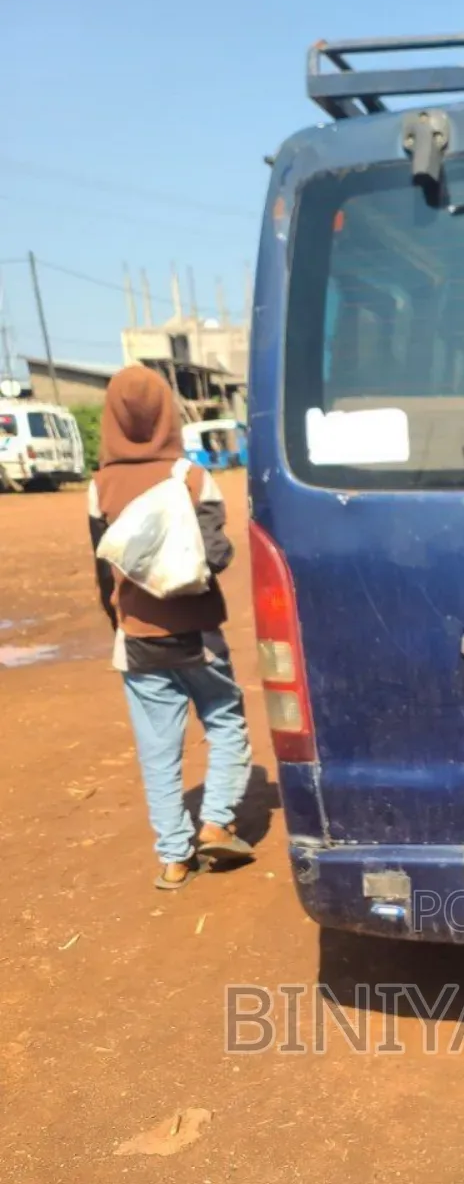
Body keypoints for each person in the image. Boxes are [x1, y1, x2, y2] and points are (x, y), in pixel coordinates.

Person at [88, 366, 253, 891]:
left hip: (137, 640)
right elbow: (219, 553)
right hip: (198, 633)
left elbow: (101, 571)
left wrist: (123, 619)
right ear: (167, 413)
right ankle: (217, 821)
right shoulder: (192, 477)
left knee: (158, 752)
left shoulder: (99, 487)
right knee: (225, 721)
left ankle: (174, 861)